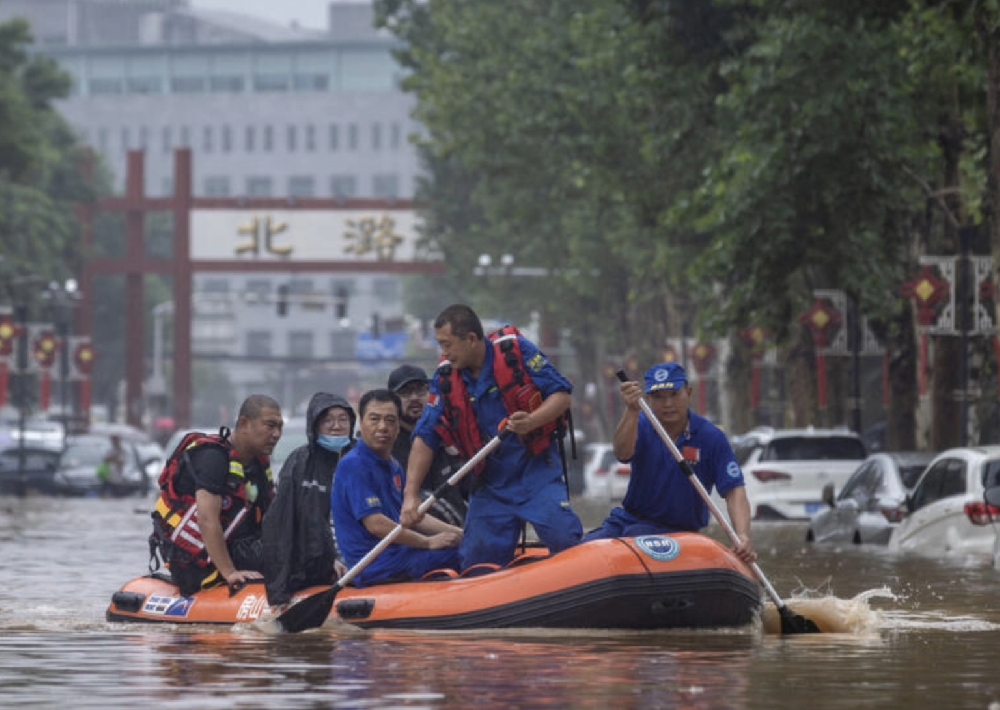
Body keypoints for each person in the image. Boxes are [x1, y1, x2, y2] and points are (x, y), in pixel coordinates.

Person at [400, 304, 583, 571]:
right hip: (490, 484)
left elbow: (562, 395)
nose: (444, 353)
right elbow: (425, 436)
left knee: (564, 538)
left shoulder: (516, 352)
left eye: (447, 344)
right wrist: (410, 495)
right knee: (477, 563)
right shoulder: (446, 378)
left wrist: (531, 420)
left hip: (536, 473)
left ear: (471, 339)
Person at [583, 362, 757, 565]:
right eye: (658, 397)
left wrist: (742, 535)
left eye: (674, 394)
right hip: (628, 520)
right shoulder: (639, 424)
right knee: (579, 552)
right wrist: (631, 410)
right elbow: (622, 453)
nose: (667, 404)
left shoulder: (711, 438)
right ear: (647, 398)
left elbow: (734, 490)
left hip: (678, 534)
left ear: (688, 392)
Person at [150, 394, 282, 596]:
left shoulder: (258, 465)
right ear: (244, 424)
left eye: (280, 427)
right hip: (197, 562)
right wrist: (230, 573)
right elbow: (206, 518)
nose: (276, 434)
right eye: (270, 426)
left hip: (240, 547)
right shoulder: (213, 458)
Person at [330, 389, 463, 587]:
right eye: (374, 419)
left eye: (390, 420)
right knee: (463, 555)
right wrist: (427, 542)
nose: (382, 427)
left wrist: (459, 532)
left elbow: (413, 516)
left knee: (467, 544)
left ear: (398, 427)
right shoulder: (354, 464)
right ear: (361, 422)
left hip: (399, 553)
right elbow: (376, 524)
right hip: (374, 564)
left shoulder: (393, 465)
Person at [261, 392, 354, 605]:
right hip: (313, 561)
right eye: (328, 420)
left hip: (356, 554)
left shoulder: (361, 458)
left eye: (343, 419)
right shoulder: (299, 463)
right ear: (315, 425)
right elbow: (283, 523)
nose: (336, 426)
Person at [387, 364, 467, 526]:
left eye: (421, 390)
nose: (414, 397)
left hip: (462, 531)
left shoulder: (447, 435)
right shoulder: (387, 446)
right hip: (419, 536)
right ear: (392, 400)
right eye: (405, 392)